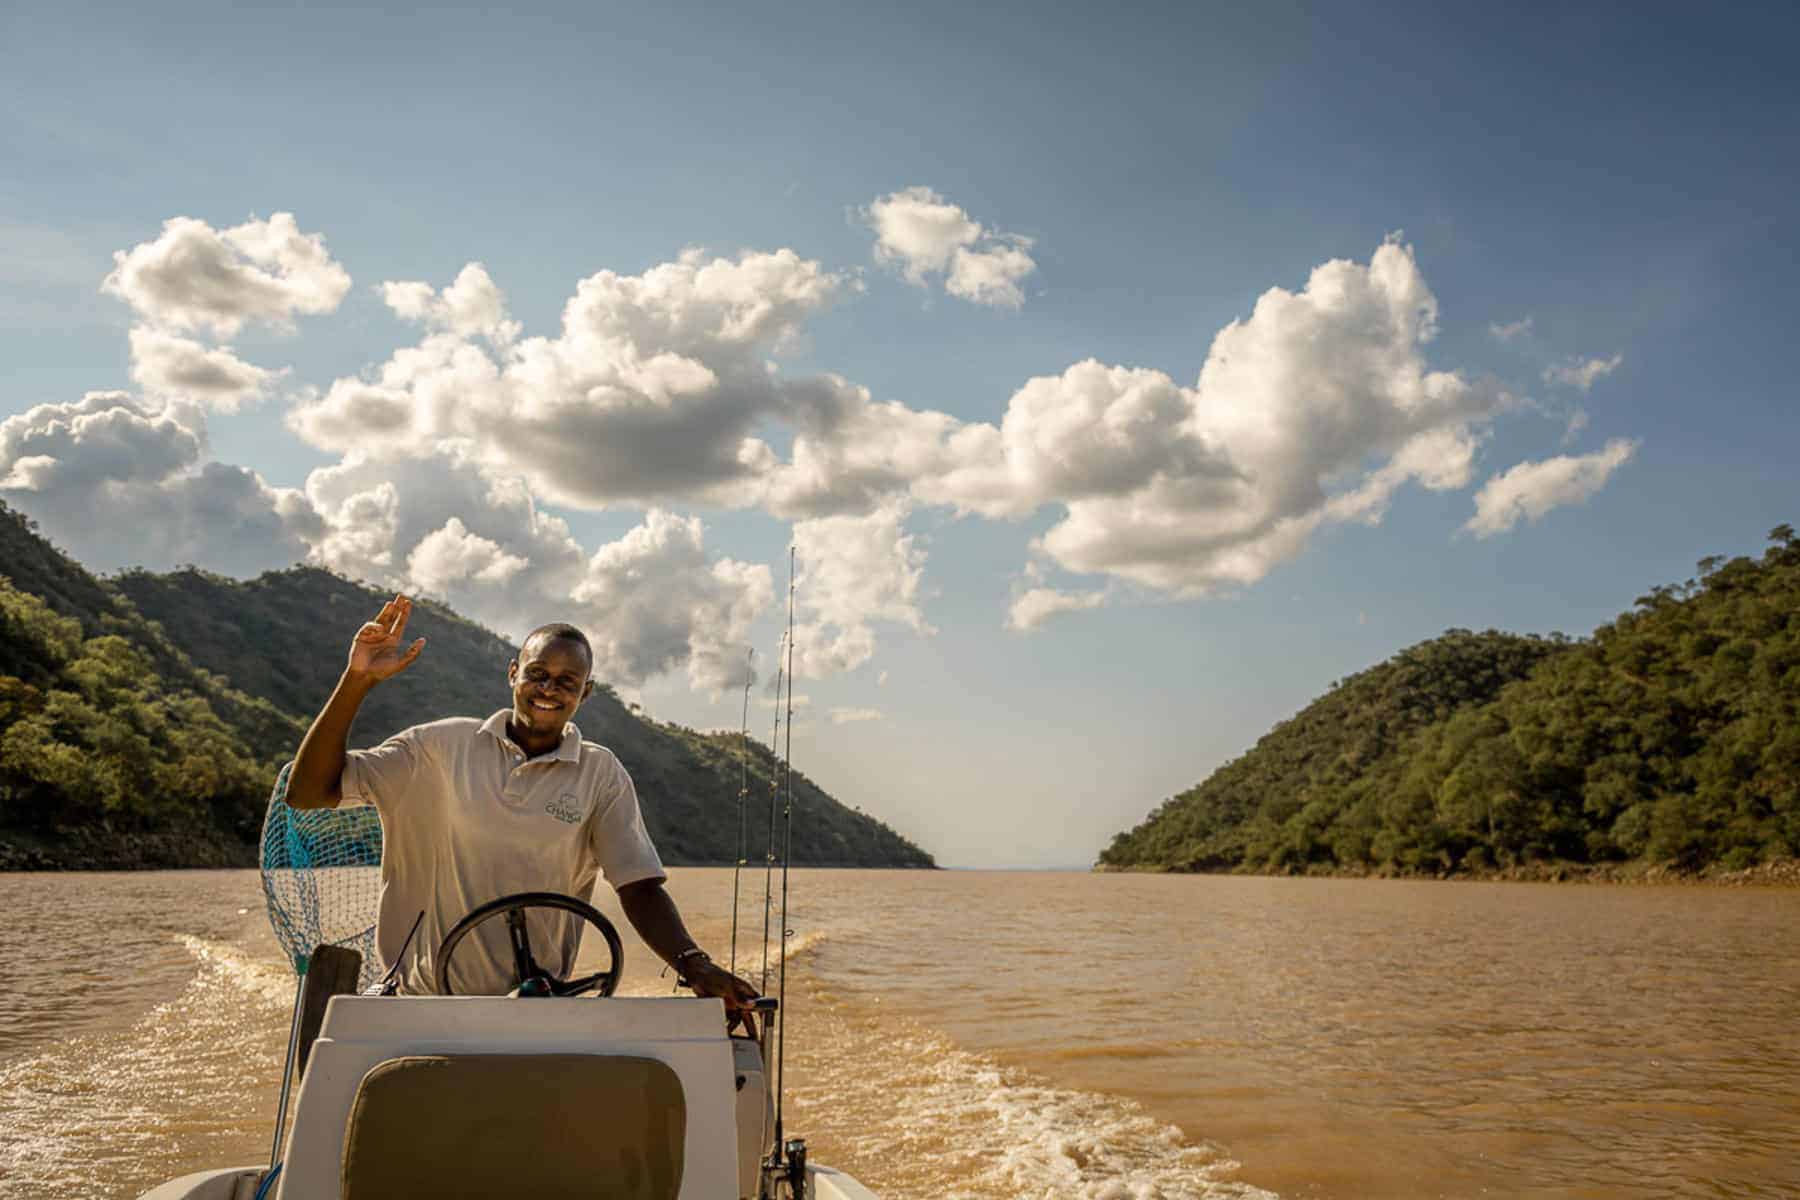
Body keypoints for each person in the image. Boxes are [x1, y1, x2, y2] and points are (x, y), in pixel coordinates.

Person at [286, 593, 759, 1021]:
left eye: (566, 680)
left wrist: (695, 966)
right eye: (537, 673)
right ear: (513, 672)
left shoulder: (600, 774)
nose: (549, 688)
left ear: (585, 692)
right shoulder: (436, 749)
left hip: (536, 1013)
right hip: (418, 1007)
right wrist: (357, 680)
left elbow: (638, 887)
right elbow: (307, 793)